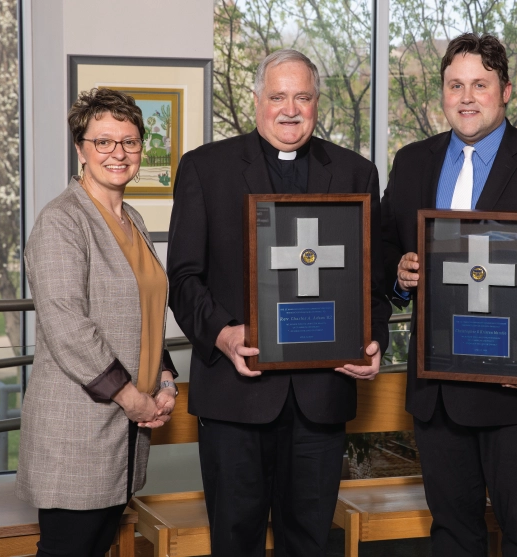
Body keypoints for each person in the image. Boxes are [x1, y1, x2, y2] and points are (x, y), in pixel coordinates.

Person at [381, 33, 517, 556]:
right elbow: (384, 250)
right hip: (437, 394)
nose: (466, 96)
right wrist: (397, 274)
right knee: (454, 537)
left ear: (506, 90)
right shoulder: (412, 162)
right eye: (454, 84)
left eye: (479, 85)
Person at [166, 49, 391, 556]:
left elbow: (371, 283)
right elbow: (182, 279)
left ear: (316, 102)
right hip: (235, 397)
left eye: (303, 97)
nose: (290, 109)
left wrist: (371, 338)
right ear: (256, 101)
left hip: (321, 399)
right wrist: (223, 333)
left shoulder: (356, 173)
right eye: (278, 96)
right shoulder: (206, 169)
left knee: (309, 542)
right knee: (235, 541)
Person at [17, 88, 178, 557]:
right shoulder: (62, 222)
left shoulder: (131, 220)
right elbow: (67, 324)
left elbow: (144, 312)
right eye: (104, 142)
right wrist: (132, 397)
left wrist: (165, 377)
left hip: (125, 431)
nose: (118, 153)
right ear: (80, 148)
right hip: (77, 432)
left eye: (129, 142)